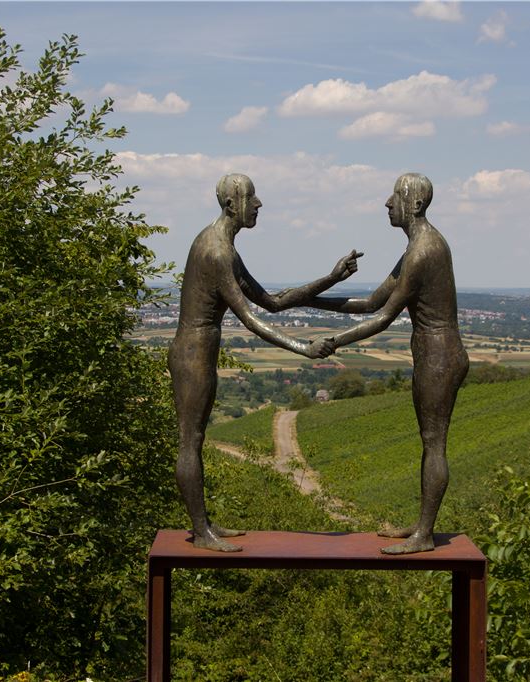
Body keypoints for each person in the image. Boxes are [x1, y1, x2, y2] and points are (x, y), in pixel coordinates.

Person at [170, 173, 361, 552]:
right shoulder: (216, 250)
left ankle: (204, 524)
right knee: (190, 441)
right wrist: (303, 348)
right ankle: (201, 531)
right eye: (251, 197)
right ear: (231, 205)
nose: (258, 204)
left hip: (199, 351)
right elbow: (251, 319)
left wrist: (331, 278)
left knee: (195, 439)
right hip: (192, 354)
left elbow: (273, 301)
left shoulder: (224, 247)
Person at [308, 173, 469, 554]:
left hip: (439, 356)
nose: (387, 202)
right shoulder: (418, 247)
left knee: (434, 443)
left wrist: (334, 342)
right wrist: (308, 298)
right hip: (433, 353)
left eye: (396, 196)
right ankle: (421, 525)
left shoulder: (423, 251)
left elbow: (382, 318)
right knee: (429, 442)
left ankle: (424, 534)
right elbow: (370, 303)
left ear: (415, 204)